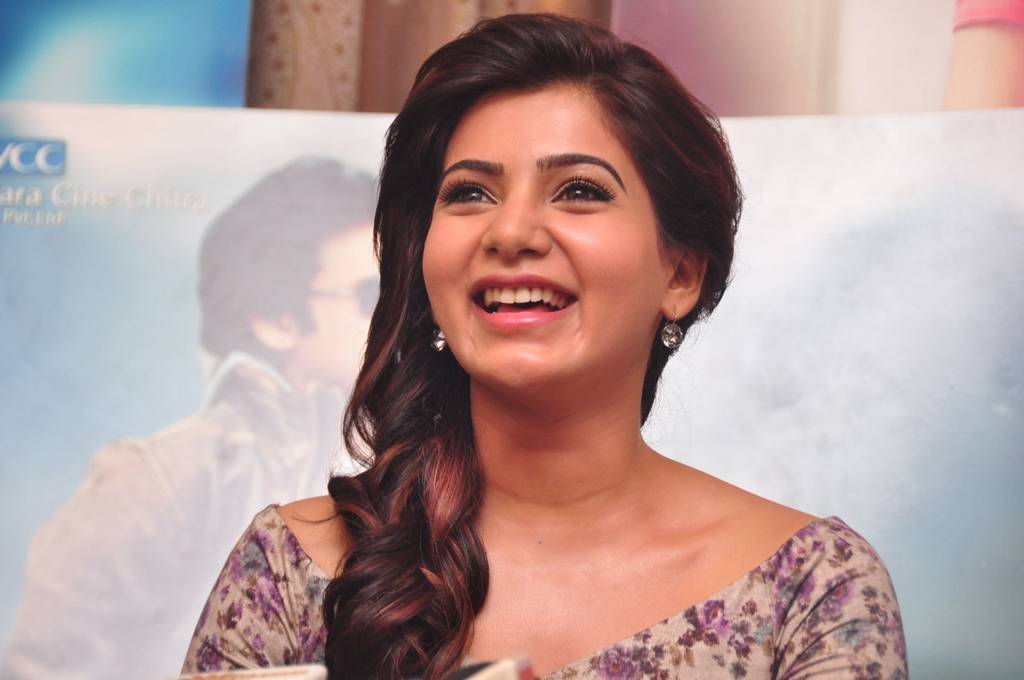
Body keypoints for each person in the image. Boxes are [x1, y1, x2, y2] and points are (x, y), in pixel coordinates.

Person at [183, 15, 907, 680]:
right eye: (469, 193)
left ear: (681, 274)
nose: (511, 232)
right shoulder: (292, 568)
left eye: (579, 190)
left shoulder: (809, 587)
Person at [2, 157, 377, 680]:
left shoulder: (365, 449)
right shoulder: (159, 477)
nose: (396, 311)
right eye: (369, 293)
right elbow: (42, 668)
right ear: (276, 320)